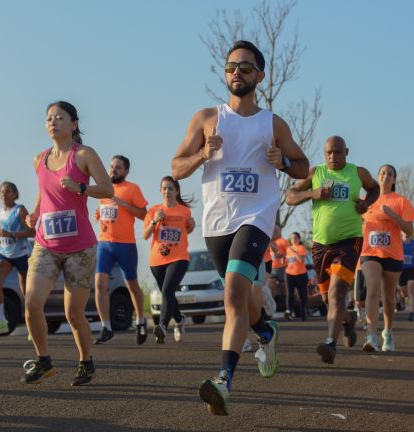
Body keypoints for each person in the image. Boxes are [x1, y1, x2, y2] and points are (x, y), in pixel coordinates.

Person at [171, 40, 309, 416]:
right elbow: (177, 167)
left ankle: (223, 381)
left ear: (259, 76)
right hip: (218, 223)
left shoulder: (272, 123)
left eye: (245, 68)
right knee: (242, 295)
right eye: (231, 67)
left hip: (256, 217)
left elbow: (303, 167)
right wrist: (203, 154)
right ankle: (265, 330)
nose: (236, 73)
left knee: (233, 291)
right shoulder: (206, 119)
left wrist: (282, 162)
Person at [22, 101, 113, 386]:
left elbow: (107, 188)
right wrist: (36, 213)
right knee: (31, 304)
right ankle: (44, 360)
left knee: (73, 314)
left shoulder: (84, 155)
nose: (53, 122)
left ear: (73, 124)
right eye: (49, 118)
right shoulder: (40, 159)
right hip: (46, 243)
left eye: (60, 117)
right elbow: (43, 191)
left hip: (80, 246)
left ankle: (85, 361)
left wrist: (81, 187)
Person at [287, 136, 378, 363]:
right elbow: (290, 196)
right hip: (320, 245)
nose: (332, 157)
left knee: (337, 293)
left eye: (337, 152)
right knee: (329, 300)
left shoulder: (358, 173)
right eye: (328, 153)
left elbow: (374, 188)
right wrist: (311, 193)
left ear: (346, 152)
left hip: (349, 241)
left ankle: (330, 343)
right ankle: (347, 320)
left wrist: (367, 203)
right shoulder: (315, 173)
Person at [358, 164, 414, 352]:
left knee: (389, 298)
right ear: (377, 176)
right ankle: (371, 336)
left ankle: (388, 332)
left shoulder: (401, 201)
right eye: (382, 173)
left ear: (394, 179)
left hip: (392, 254)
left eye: (390, 174)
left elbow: (409, 230)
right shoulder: (366, 200)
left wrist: (393, 216)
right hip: (369, 252)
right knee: (372, 288)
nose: (385, 176)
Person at [93, 155, 149, 345]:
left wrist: (125, 205)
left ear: (126, 171)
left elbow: (144, 214)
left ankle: (140, 320)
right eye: (111, 167)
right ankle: (106, 327)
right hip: (104, 244)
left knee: (131, 285)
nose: (113, 170)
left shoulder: (132, 188)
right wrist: (98, 214)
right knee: (99, 284)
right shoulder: (104, 189)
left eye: (118, 167)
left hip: (125, 245)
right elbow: (104, 210)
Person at [143, 176, 194, 344]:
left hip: (179, 257)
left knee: (166, 291)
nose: (167, 191)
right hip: (157, 260)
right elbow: (145, 235)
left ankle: (162, 326)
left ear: (176, 191)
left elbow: (188, 229)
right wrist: (154, 220)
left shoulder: (184, 211)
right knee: (169, 295)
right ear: (160, 191)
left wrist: (192, 224)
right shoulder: (154, 210)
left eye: (170, 188)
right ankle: (179, 320)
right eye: (164, 188)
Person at [0, 181, 35, 336]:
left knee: (27, 292)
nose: (4, 194)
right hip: (5, 253)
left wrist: (12, 235)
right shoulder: (1, 212)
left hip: (21, 254)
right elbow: (3, 233)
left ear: (15, 194)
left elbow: (32, 232)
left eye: (8, 191)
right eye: (2, 192)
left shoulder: (20, 210)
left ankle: (32, 326)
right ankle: (2, 321)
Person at [285, 232, 309, 321]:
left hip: (301, 274)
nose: (293, 240)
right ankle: (289, 312)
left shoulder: (301, 248)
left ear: (299, 239)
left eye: (295, 238)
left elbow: (301, 260)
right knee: (289, 293)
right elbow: (288, 261)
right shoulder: (288, 249)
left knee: (302, 294)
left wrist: (295, 252)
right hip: (289, 273)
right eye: (292, 238)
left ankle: (303, 313)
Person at [399, 231, 414, 321]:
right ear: (401, 233)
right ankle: (403, 300)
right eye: (404, 231)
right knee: (404, 292)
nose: (406, 233)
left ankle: (412, 313)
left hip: (412, 269)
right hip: (401, 270)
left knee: (411, 288)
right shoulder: (399, 243)